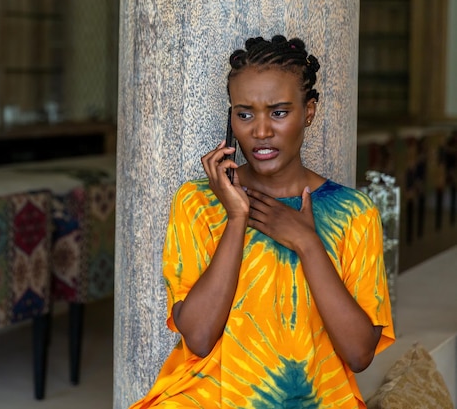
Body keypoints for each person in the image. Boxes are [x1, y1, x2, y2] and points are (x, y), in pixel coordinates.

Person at [130, 35, 395, 408]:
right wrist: (236, 217)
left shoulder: (352, 212)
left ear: (309, 111)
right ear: (231, 119)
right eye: (245, 113)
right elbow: (200, 338)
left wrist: (307, 242)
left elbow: (359, 354)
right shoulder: (198, 202)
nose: (261, 131)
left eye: (279, 112)